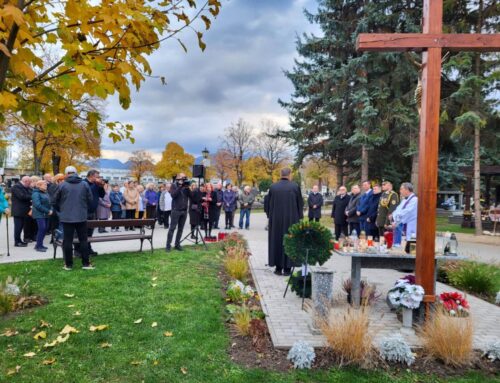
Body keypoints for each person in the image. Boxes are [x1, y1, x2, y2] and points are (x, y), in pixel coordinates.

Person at [53, 166, 94, 270]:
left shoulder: (62, 185)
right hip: (81, 216)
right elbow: (90, 199)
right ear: (76, 173)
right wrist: (84, 208)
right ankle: (86, 263)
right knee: (83, 240)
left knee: (67, 241)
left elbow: (54, 201)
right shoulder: (84, 184)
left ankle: (68, 264)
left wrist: (62, 209)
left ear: (66, 174)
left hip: (67, 217)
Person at [268, 168, 304, 276]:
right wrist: (299, 217)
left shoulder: (273, 187)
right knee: (290, 241)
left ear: (280, 174)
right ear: (289, 175)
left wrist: (270, 215)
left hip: (276, 220)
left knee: (277, 240)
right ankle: (287, 269)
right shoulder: (295, 186)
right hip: (292, 219)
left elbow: (267, 203)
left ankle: (278, 268)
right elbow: (300, 203)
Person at [77, 170, 105, 256]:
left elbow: (102, 195)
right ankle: (78, 251)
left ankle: (88, 249)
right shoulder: (83, 183)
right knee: (81, 232)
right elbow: (87, 192)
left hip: (93, 212)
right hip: (83, 211)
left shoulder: (96, 185)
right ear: (91, 176)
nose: (98, 179)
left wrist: (101, 186)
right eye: (97, 177)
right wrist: (96, 184)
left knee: (90, 233)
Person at [166, 173, 190, 252]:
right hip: (176, 210)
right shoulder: (174, 185)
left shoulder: (186, 186)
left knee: (180, 229)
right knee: (172, 228)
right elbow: (173, 195)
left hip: (184, 211)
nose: (183, 179)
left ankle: (177, 244)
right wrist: (180, 187)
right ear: (178, 178)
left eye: (184, 177)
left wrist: (187, 188)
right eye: (182, 177)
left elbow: (190, 196)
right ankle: (168, 245)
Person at [392, 182, 418, 253]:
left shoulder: (414, 200)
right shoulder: (405, 200)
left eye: (401, 189)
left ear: (407, 190)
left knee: (411, 250)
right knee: (408, 250)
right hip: (407, 227)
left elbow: (406, 212)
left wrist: (396, 221)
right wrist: (394, 217)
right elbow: (398, 210)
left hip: (413, 228)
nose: (400, 191)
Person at [10, 175, 32, 247]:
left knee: (21, 226)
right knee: (18, 227)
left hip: (24, 211)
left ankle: (20, 241)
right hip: (18, 211)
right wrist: (32, 196)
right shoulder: (16, 187)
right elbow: (22, 196)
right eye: (29, 182)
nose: (30, 184)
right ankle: (17, 242)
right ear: (26, 181)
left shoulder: (26, 187)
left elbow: (29, 194)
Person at [31, 180, 53, 252]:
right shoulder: (35, 194)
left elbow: (50, 202)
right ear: (39, 186)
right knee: (42, 228)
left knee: (45, 228)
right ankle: (38, 246)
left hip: (46, 214)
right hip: (39, 214)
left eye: (46, 185)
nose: (46, 186)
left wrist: (51, 210)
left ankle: (39, 244)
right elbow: (37, 205)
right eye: (44, 185)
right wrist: (47, 211)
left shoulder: (46, 192)